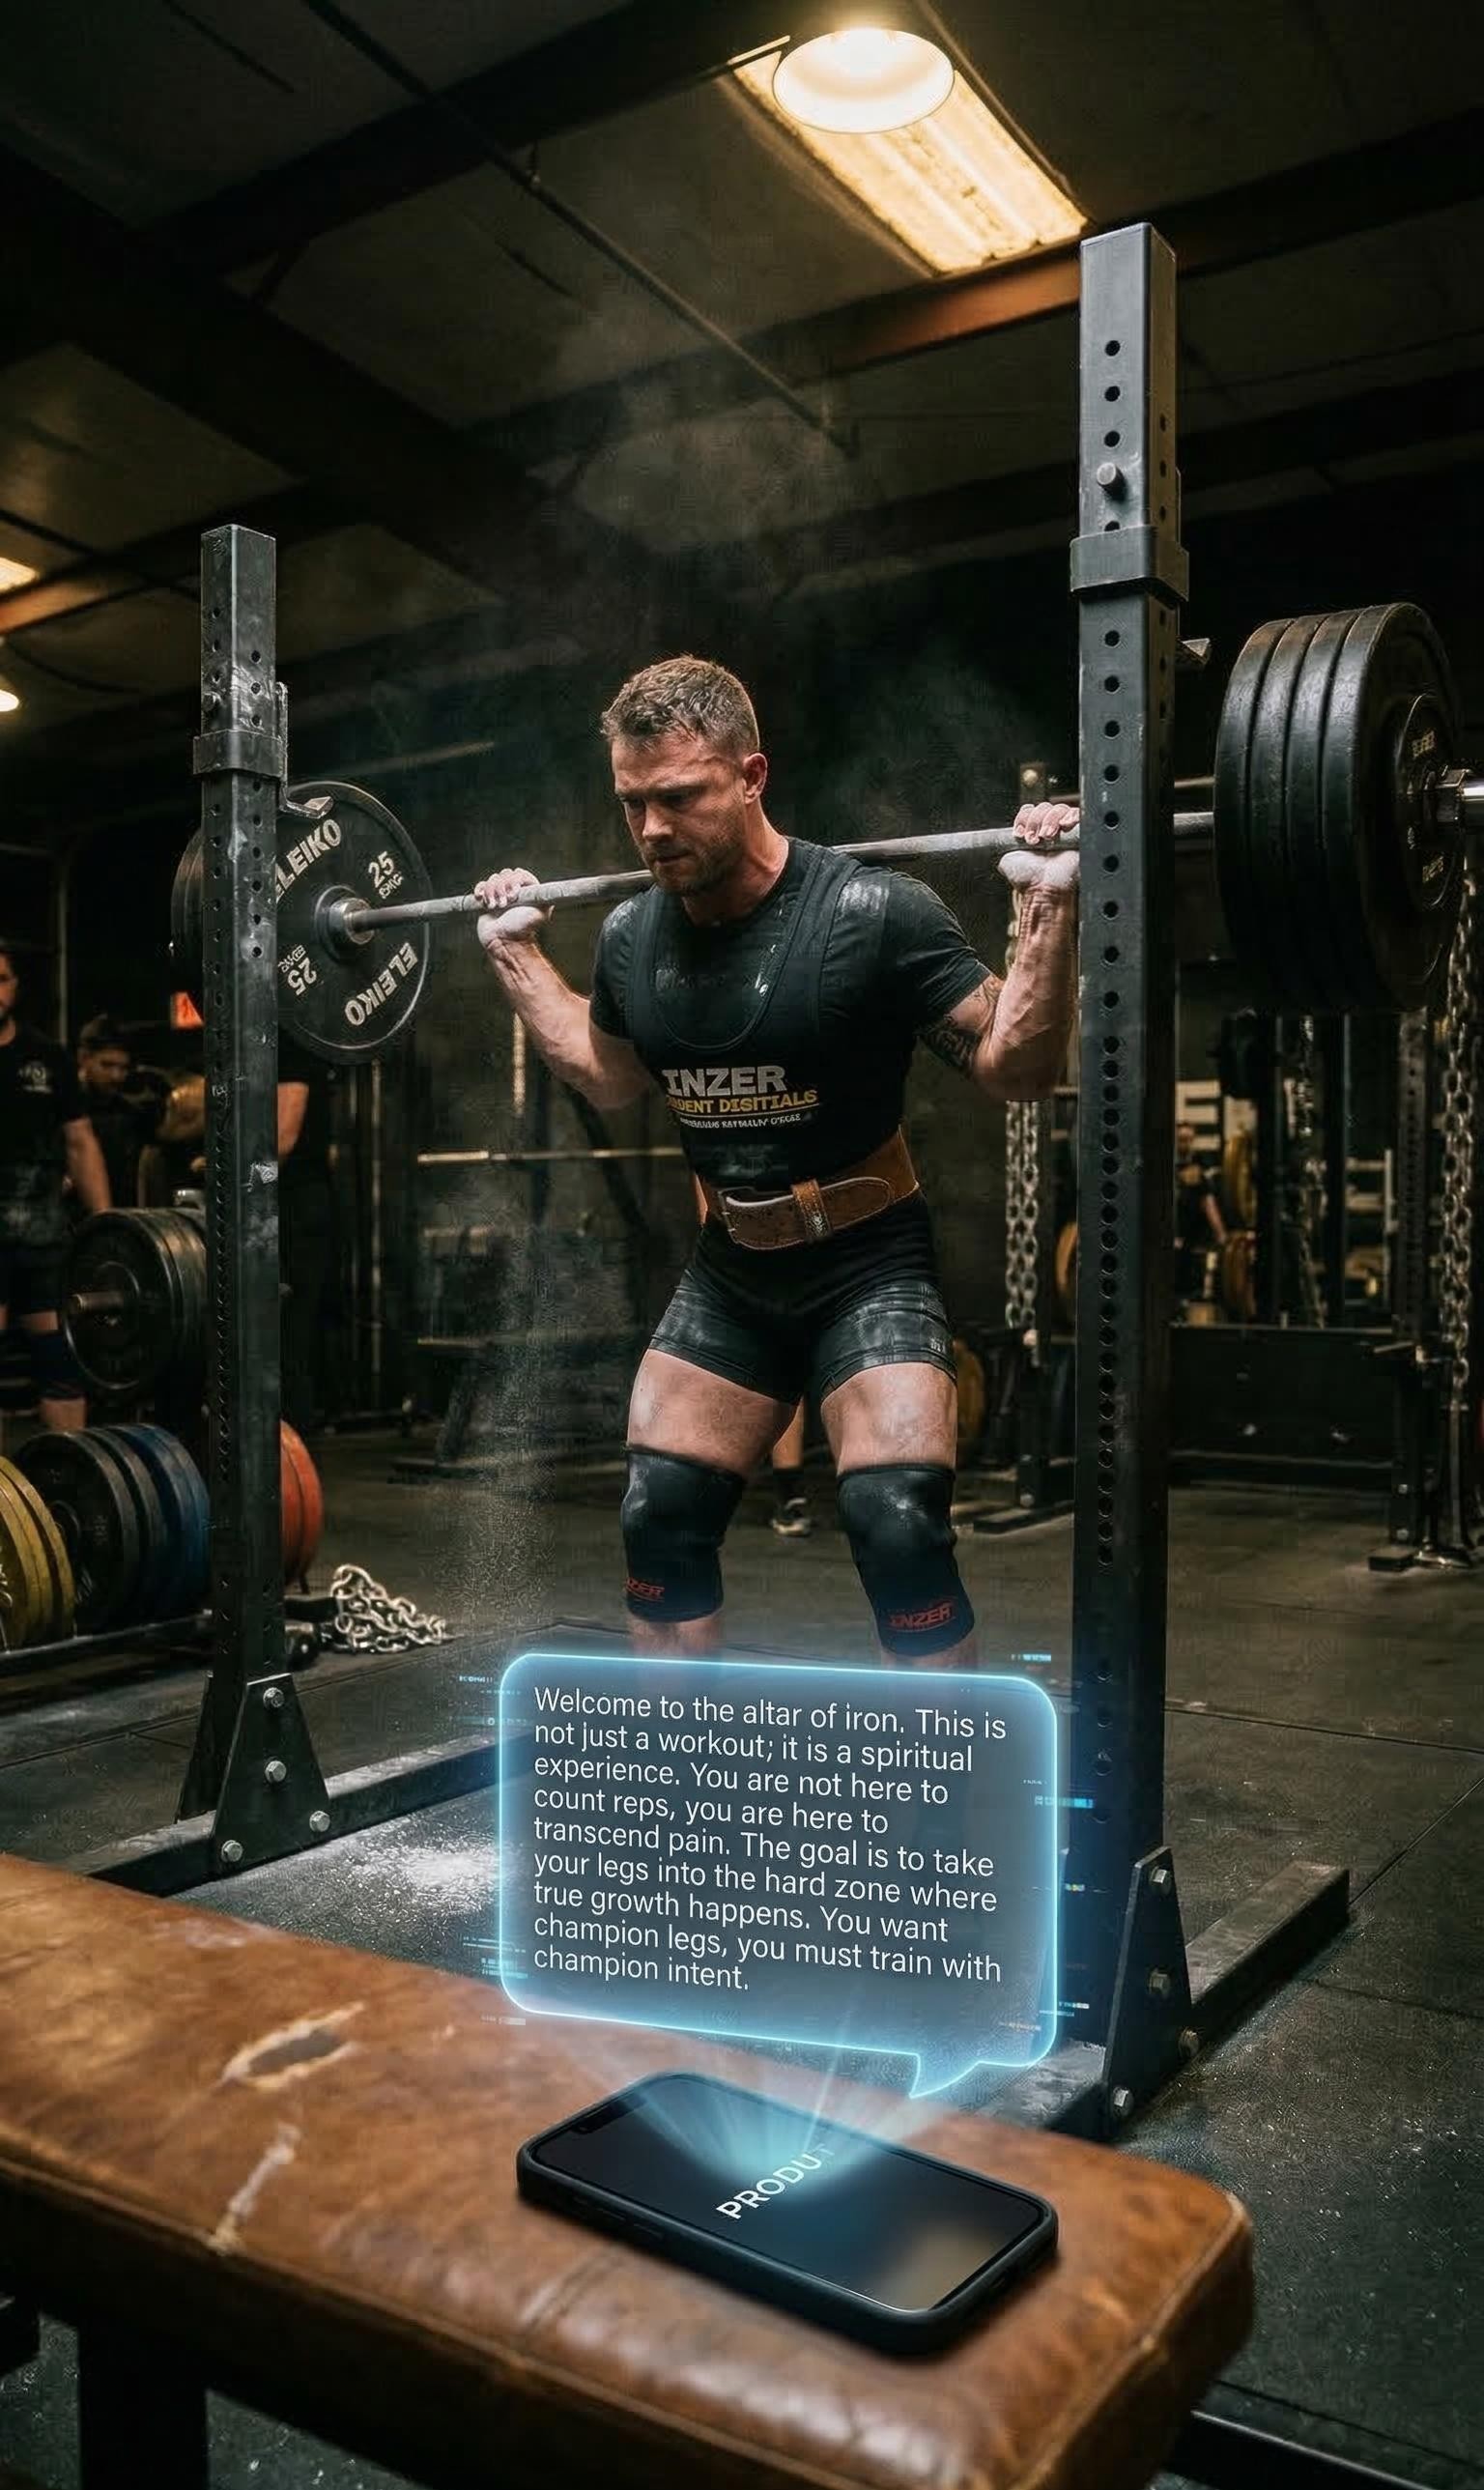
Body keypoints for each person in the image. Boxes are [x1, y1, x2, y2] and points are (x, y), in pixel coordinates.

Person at [475, 657, 1077, 1668]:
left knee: (898, 1523)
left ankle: (941, 1804)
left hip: (867, 1260)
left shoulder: (873, 914)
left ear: (751, 775)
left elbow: (1014, 1068)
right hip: (735, 1272)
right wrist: (514, 951)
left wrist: (1049, 907)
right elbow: (608, 1072)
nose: (654, 830)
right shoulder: (630, 940)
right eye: (634, 806)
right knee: (658, 1517)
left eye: (680, 799)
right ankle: (684, 1781)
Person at [0, 938, 110, 1430]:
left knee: (61, 1366)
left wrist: (106, 1226)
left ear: (15, 986)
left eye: (0, 979)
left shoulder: (48, 1057)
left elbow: (81, 1143)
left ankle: (65, 1486)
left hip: (43, 1240)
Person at [277, 1035, 334, 1438]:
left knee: (290, 1322)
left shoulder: (291, 1043)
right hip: (279, 1200)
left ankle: (292, 1436)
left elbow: (282, 1137)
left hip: (298, 1203)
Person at [75, 1014, 163, 1210]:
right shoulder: (63, 1110)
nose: (116, 1076)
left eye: (123, 1068)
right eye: (106, 1065)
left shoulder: (132, 1115)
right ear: (83, 1058)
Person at [1175, 1120, 1226, 1301]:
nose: (1185, 1143)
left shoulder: (1198, 1167)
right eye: (1181, 1139)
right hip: (1168, 1235)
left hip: (1193, 1237)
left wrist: (1220, 1234)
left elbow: (1208, 1201)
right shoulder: (1163, 1166)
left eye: (1188, 1139)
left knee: (1190, 1287)